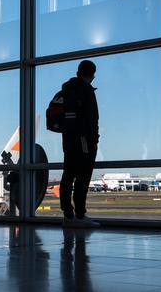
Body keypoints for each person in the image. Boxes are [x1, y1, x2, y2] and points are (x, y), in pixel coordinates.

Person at [59, 60, 100, 228]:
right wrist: (93, 140)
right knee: (82, 177)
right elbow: (91, 118)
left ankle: (68, 215)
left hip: (68, 139)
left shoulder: (67, 89)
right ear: (92, 74)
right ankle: (80, 215)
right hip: (83, 140)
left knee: (68, 175)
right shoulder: (86, 91)